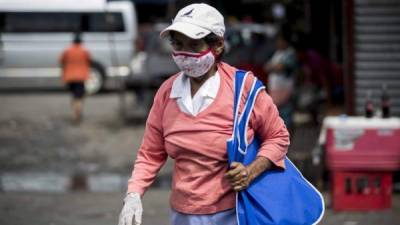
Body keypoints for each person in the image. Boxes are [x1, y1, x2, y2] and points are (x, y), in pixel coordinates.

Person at [118, 3, 289, 225]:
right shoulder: (167, 93)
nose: (184, 54)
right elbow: (151, 153)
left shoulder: (244, 88)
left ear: (217, 46)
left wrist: (252, 170)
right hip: (183, 214)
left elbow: (278, 137)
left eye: (193, 45)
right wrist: (133, 194)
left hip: (234, 212)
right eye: (178, 44)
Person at [264, 31, 297, 131]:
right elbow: (267, 67)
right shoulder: (278, 53)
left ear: (285, 41)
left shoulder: (290, 53)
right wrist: (273, 67)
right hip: (275, 90)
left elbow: (280, 68)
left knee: (286, 117)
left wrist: (273, 67)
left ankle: (288, 140)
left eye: (280, 40)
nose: (278, 43)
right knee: (277, 117)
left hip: (285, 90)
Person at [60, 33, 91, 123]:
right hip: (81, 77)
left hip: (70, 77)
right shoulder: (84, 50)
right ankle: (77, 114)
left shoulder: (67, 50)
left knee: (74, 96)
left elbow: (61, 61)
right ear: (81, 42)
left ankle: (75, 113)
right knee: (79, 96)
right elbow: (89, 61)